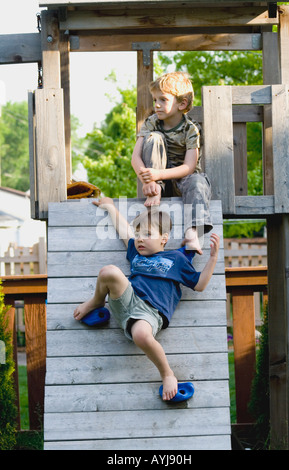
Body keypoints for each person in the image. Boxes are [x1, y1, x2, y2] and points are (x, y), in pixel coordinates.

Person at [73, 197, 220, 401]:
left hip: (150, 313)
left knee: (141, 335)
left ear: (164, 238)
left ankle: (167, 374)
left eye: (147, 234)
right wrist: (110, 208)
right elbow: (124, 231)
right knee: (110, 271)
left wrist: (212, 259)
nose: (140, 239)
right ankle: (97, 300)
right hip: (127, 299)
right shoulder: (136, 253)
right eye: (139, 234)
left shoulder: (176, 259)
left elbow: (200, 284)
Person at [131, 71, 213, 255]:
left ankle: (193, 232)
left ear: (181, 103)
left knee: (199, 180)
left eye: (163, 100)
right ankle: (155, 191)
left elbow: (189, 167)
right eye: (154, 100)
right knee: (153, 138)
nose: (157, 105)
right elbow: (135, 157)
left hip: (183, 183)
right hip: (158, 182)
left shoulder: (191, 129)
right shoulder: (152, 122)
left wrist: (159, 174)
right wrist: (150, 181)